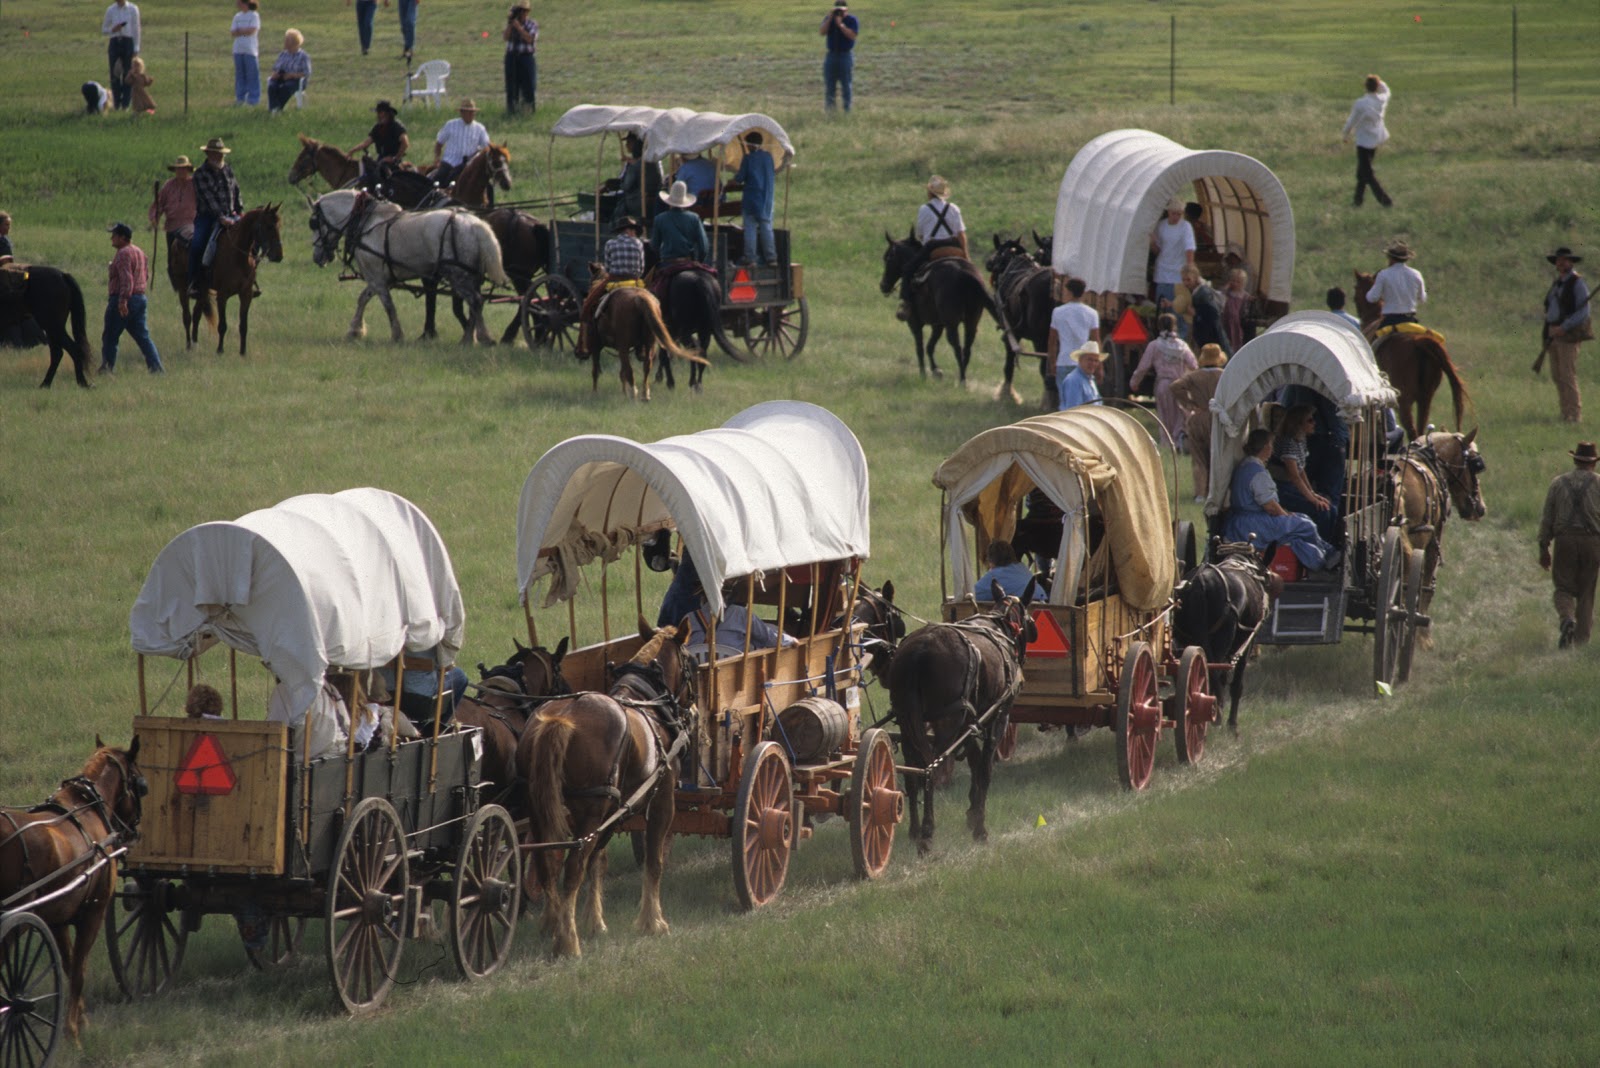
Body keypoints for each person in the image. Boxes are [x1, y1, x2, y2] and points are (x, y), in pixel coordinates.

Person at [1223, 428, 1340, 574]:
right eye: (1271, 445)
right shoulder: (1256, 472)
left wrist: (1288, 516)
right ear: (1266, 447)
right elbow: (1270, 507)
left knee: (1298, 526)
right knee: (1305, 525)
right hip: (1253, 523)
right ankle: (1327, 554)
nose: (1272, 449)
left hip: (1242, 520)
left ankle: (1319, 558)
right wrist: (1285, 516)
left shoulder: (1245, 466)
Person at [1539, 441, 1600, 648]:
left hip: (1564, 540)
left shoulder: (1558, 483)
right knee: (1586, 593)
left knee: (1563, 588)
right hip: (1592, 541)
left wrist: (1543, 548)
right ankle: (1581, 643)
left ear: (1575, 460)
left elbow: (1547, 517)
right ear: (1594, 463)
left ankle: (1567, 618)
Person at [895, 174, 966, 320]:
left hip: (933, 247)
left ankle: (906, 304)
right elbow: (961, 235)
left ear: (930, 193)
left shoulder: (924, 209)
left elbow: (920, 235)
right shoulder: (954, 208)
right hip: (954, 247)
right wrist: (966, 255)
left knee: (908, 269)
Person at [100, 222, 164, 375]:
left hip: (124, 299)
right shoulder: (140, 252)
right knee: (143, 337)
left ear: (122, 238)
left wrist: (122, 302)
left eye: (114, 235)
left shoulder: (123, 254)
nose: (111, 239)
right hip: (140, 298)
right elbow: (145, 275)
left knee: (110, 336)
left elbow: (126, 280)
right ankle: (156, 368)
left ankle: (107, 368)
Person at [577, 216, 647, 357]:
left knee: (588, 305)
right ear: (629, 230)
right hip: (635, 282)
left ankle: (583, 345)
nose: (634, 233)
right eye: (633, 230)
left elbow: (607, 268)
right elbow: (641, 268)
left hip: (614, 280)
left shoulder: (610, 244)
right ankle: (645, 346)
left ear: (621, 231)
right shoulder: (639, 244)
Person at [1131, 313, 1198, 449]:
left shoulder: (1154, 345)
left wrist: (1134, 382)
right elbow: (1194, 365)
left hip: (1163, 385)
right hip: (1180, 385)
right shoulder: (1183, 346)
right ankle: (1179, 441)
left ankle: (1168, 446)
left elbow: (1143, 367)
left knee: (1165, 416)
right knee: (1180, 416)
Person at [1170, 344, 1227, 501]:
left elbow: (1175, 386)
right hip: (1217, 418)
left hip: (1199, 417)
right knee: (1216, 457)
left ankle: (1200, 494)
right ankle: (1215, 493)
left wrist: (1190, 404)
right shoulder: (1224, 375)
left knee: (1199, 458)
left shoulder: (1194, 376)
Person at [1543, 246, 1592, 425]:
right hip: (1553, 332)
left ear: (1570, 262)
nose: (1560, 263)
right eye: (1558, 260)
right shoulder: (1558, 283)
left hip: (1567, 334)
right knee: (1557, 375)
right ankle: (1565, 412)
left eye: (1564, 260)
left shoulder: (1577, 283)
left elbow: (1583, 312)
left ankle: (1574, 414)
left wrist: (1565, 326)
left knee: (1567, 374)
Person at [189, 137, 242, 297]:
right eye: (215, 153)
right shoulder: (200, 174)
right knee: (198, 244)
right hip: (208, 217)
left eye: (220, 153)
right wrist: (220, 217)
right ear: (208, 154)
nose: (218, 156)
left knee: (250, 237)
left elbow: (236, 191)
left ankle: (248, 279)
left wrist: (240, 211)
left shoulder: (228, 170)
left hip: (231, 214)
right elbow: (207, 198)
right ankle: (195, 282)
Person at [688, 583, 798, 655]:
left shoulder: (689, 618)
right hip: (732, 675)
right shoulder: (739, 613)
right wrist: (789, 640)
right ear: (726, 596)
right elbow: (767, 637)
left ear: (702, 597)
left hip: (695, 677)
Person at [649, 181, 711, 300]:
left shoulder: (659, 219)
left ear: (669, 201)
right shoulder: (694, 218)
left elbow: (654, 246)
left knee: (655, 294)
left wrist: (659, 257)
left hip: (668, 262)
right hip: (689, 261)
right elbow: (704, 246)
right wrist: (699, 260)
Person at [268, 676, 351, 762]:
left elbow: (275, 731)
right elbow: (347, 724)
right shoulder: (329, 688)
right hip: (337, 754)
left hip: (307, 760)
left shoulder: (285, 689)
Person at [1271, 404, 1334, 519]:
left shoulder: (1300, 440)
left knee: (1331, 508)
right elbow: (1294, 476)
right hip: (1281, 487)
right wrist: (1313, 499)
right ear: (1298, 424)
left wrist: (1312, 492)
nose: (1314, 423)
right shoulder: (1289, 443)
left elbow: (1301, 469)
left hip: (1290, 485)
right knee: (1321, 511)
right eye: (1310, 420)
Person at [1342, 74, 1392, 208]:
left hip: (1363, 142)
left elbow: (1351, 121)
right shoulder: (1381, 100)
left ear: (1365, 86)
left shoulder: (1361, 103)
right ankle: (1357, 202)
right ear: (1377, 87)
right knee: (1361, 173)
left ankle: (1386, 201)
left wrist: (1345, 134)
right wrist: (1381, 82)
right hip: (1375, 140)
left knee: (1368, 174)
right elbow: (1387, 91)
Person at [1047, 278, 1100, 407]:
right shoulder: (1092, 313)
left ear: (1069, 292)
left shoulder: (1058, 312)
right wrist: (1099, 365)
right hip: (1084, 362)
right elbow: (1096, 341)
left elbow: (1052, 341)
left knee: (1066, 402)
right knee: (1086, 401)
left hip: (1064, 361)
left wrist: (1052, 362)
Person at [729, 133, 776, 266]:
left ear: (749, 145)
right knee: (766, 227)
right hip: (766, 199)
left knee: (750, 228)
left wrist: (732, 180)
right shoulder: (768, 158)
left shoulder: (749, 159)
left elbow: (739, 179)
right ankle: (771, 258)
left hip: (751, 199)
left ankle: (751, 258)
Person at [148, 155, 197, 268]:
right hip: (172, 227)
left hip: (190, 226)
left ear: (188, 170)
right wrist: (155, 217)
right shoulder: (169, 185)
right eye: (178, 168)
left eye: (184, 168)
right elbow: (159, 203)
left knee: (190, 254)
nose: (181, 171)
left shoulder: (194, 184)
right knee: (172, 262)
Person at [1149, 197, 1195, 315]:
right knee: (1162, 307)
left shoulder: (1185, 227)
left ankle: (1180, 332)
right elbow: (1158, 251)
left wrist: (1190, 270)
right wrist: (1153, 243)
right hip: (1162, 272)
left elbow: (1189, 248)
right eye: (1174, 213)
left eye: (1179, 214)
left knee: (1179, 308)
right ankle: (1162, 330)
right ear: (1168, 212)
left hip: (1178, 274)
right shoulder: (1161, 226)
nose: (1176, 217)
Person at [429, 99, 490, 185]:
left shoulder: (480, 128)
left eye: (473, 112)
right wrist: (437, 159)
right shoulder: (450, 125)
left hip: (469, 165)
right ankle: (435, 197)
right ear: (462, 113)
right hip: (450, 162)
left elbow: (486, 146)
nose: (471, 114)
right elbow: (439, 143)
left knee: (487, 185)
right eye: (468, 112)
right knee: (439, 179)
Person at [1366, 241, 1425, 329]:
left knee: (1372, 341)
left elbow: (1372, 298)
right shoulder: (1416, 274)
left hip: (1390, 320)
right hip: (1410, 320)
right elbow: (1423, 298)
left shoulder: (1383, 274)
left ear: (1390, 258)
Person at [612, 132, 664, 226]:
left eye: (629, 142)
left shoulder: (636, 166)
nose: (626, 145)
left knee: (619, 203)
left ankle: (616, 225)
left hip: (638, 202)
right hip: (654, 200)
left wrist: (620, 184)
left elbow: (626, 186)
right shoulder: (654, 162)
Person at [101, 0, 141, 111]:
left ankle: (125, 104)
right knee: (114, 74)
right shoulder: (111, 9)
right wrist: (112, 30)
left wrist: (136, 47)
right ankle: (116, 103)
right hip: (115, 41)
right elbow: (104, 29)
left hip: (127, 42)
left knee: (128, 74)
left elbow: (136, 28)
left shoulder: (132, 9)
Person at [820, 0, 859, 113]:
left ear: (846, 10)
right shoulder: (829, 19)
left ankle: (847, 111)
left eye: (841, 10)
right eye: (837, 10)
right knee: (830, 86)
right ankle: (830, 112)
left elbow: (852, 35)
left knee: (846, 85)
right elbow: (822, 32)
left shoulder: (851, 20)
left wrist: (841, 25)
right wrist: (830, 18)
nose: (839, 12)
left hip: (845, 55)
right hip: (831, 55)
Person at [1180, 263, 1228, 354]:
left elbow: (1213, 313)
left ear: (1195, 278)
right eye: (1184, 280)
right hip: (1206, 333)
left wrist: (1196, 314)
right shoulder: (1196, 292)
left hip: (1210, 334)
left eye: (1188, 280)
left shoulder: (1203, 293)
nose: (1185, 283)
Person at [349, 100, 410, 166]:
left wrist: (395, 158)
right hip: (381, 158)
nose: (378, 115)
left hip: (394, 161)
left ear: (387, 114)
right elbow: (366, 143)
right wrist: (352, 151)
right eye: (378, 112)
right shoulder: (377, 128)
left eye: (380, 112)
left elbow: (405, 143)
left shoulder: (396, 126)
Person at [265, 28, 311, 114]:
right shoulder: (283, 54)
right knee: (272, 85)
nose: (285, 42)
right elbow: (276, 67)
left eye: (287, 40)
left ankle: (276, 109)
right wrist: (275, 74)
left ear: (294, 43)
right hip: (282, 77)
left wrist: (292, 75)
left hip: (296, 80)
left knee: (287, 87)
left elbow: (306, 73)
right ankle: (274, 109)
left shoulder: (303, 56)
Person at [503, 3, 537, 115]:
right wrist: (511, 24)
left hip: (526, 57)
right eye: (520, 11)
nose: (521, 13)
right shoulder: (511, 24)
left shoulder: (532, 24)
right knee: (512, 86)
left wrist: (519, 27)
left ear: (527, 12)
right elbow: (505, 37)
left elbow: (529, 39)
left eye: (523, 11)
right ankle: (512, 110)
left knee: (528, 86)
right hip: (512, 57)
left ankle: (528, 110)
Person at [231, 0, 261, 107]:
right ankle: (240, 98)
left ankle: (253, 99)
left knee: (252, 75)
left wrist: (240, 31)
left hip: (250, 50)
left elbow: (252, 30)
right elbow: (233, 32)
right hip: (238, 49)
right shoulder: (237, 16)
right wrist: (242, 31)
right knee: (240, 75)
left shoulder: (254, 16)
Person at [1059, 343, 1104, 410]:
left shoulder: (1091, 379)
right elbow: (1073, 411)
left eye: (1096, 361)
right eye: (1090, 359)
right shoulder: (1073, 380)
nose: (1093, 363)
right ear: (1080, 360)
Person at [1221, 267, 1248, 353]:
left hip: (1236, 323)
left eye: (1238, 282)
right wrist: (1227, 287)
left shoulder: (1243, 295)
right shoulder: (1227, 293)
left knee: (1236, 339)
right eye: (1233, 281)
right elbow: (1220, 295)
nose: (1235, 284)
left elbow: (1244, 310)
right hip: (1226, 319)